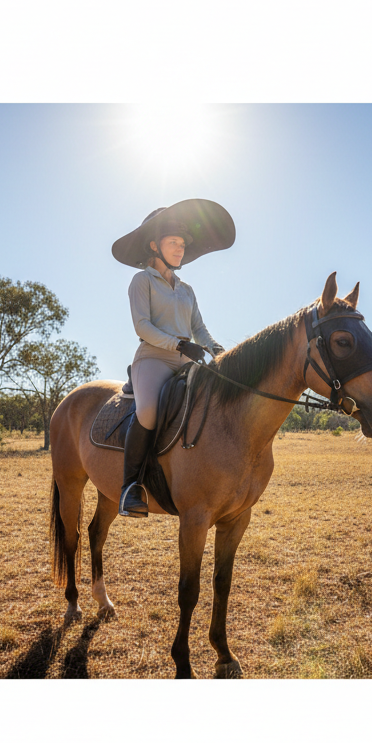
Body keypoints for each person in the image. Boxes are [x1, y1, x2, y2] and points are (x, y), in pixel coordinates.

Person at [111, 199, 235, 518]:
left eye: (182, 244)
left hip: (187, 360)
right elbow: (143, 326)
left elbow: (199, 329)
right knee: (150, 412)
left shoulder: (187, 290)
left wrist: (218, 351)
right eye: (173, 243)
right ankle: (130, 487)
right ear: (154, 245)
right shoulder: (141, 282)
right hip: (153, 358)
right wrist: (179, 345)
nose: (179, 249)